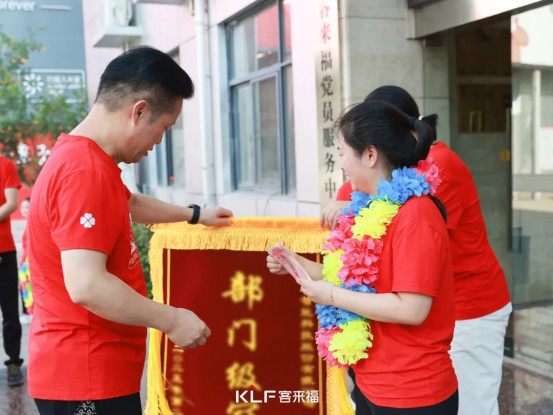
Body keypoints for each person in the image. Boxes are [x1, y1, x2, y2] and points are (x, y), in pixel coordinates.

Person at [26, 46, 233, 415]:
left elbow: (130, 203)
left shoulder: (84, 159)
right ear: (138, 112)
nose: (159, 143)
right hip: (86, 375)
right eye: (164, 128)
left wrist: (196, 215)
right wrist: (172, 319)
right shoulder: (83, 171)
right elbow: (86, 284)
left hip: (88, 371)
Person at [323, 85, 512, 415]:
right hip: (430, 309)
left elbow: (391, 231)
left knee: (475, 406)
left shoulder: (432, 174)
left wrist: (353, 206)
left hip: (470, 304)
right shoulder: (394, 175)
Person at [269, 101, 458, 414]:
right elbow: (348, 278)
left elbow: (412, 309)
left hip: (411, 391)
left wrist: (332, 296)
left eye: (342, 153)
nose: (341, 164)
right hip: (374, 382)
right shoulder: (370, 208)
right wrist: (296, 263)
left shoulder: (416, 215)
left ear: (370, 155)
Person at [0, 156, 25, 387]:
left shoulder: (4, 165)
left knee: (9, 312)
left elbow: (11, 203)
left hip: (3, 250)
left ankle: (14, 361)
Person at [18, 197, 33, 319]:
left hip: (30, 262)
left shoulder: (32, 224)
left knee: (30, 290)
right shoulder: (28, 223)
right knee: (26, 289)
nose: (24, 210)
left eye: (27, 207)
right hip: (25, 261)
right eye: (22, 207)